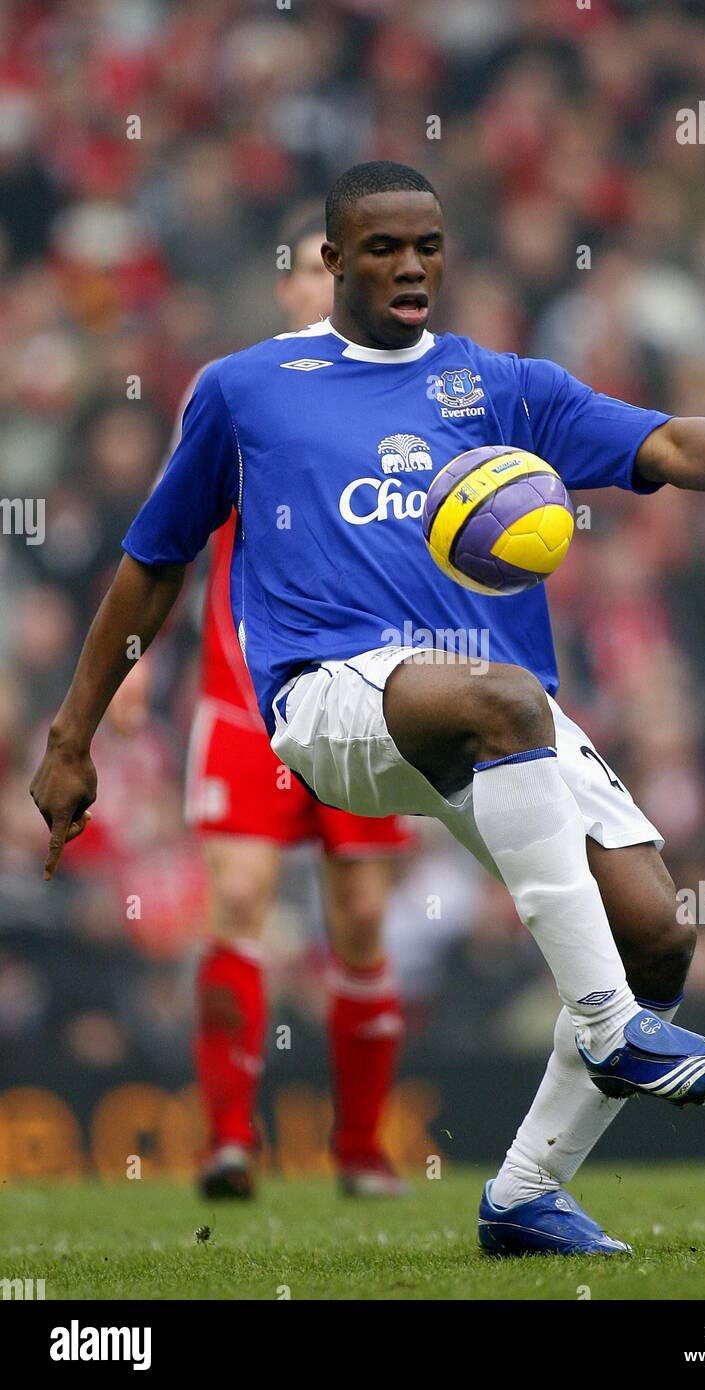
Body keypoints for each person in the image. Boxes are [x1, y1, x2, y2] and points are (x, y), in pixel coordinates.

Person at [31, 161, 705, 1257]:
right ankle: (610, 1028)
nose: (409, 264)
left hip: (483, 715)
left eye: (425, 244)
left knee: (655, 934)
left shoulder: (500, 385)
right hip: (327, 700)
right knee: (509, 709)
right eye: (381, 247)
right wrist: (71, 735)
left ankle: (523, 1193)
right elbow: (149, 564)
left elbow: (657, 442)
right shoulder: (247, 388)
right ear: (330, 261)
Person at [179, 216, 412, 1200]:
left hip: (362, 705)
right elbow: (171, 525)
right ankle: (228, 1141)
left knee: (359, 919)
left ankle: (359, 1148)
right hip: (245, 702)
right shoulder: (235, 390)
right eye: (312, 271)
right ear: (284, 290)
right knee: (235, 902)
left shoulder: (407, 394)